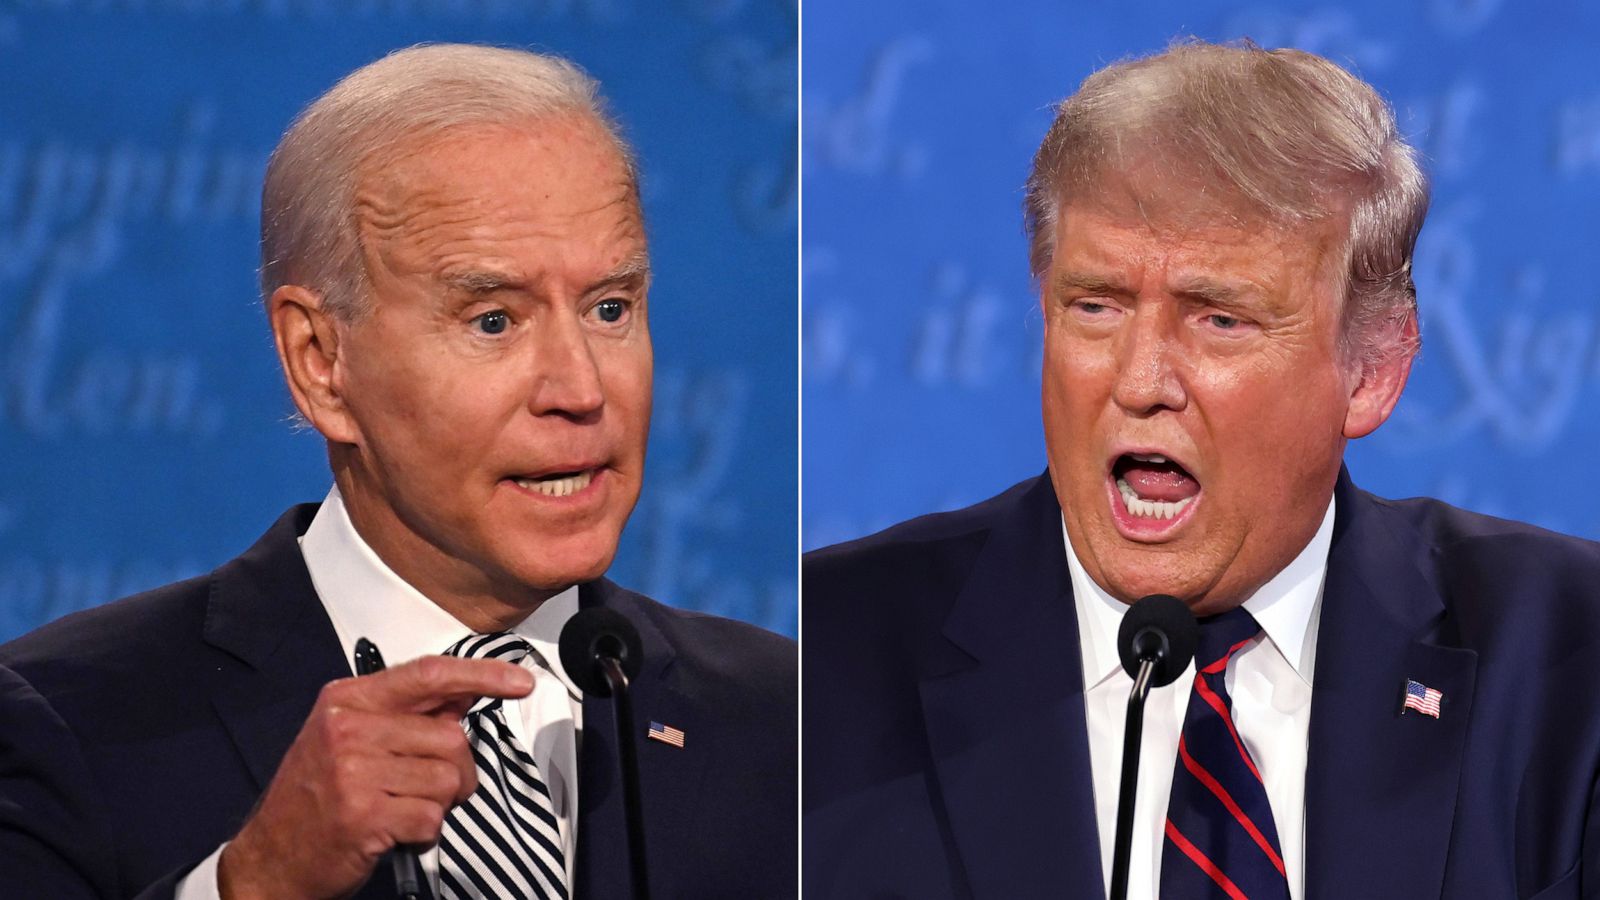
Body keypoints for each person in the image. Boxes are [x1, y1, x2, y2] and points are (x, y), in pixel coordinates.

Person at [803, 40, 1600, 900]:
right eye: (1096, 307)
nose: (1140, 381)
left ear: (1372, 369)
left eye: (1219, 319)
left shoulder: (1567, 659)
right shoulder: (824, 663)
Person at [0, 44, 795, 900]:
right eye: (494, 320)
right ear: (320, 362)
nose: (581, 388)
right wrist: (256, 885)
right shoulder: (67, 725)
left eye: (611, 308)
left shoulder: (784, 721)